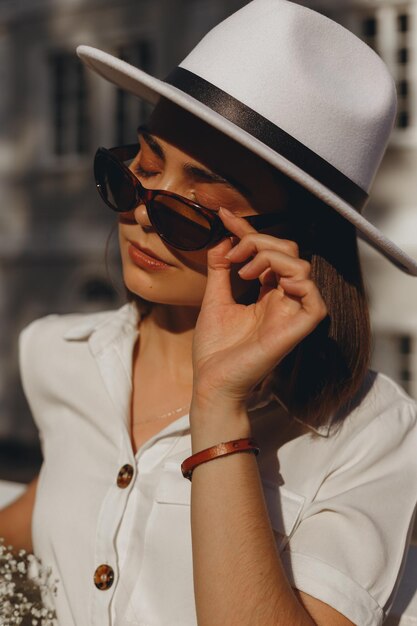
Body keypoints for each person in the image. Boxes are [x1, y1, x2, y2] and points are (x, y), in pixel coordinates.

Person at [1, 1, 417, 625]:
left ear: (291, 243)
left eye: (193, 211)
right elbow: (54, 505)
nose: (141, 213)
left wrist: (219, 402)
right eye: (135, 171)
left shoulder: (372, 436)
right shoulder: (59, 355)